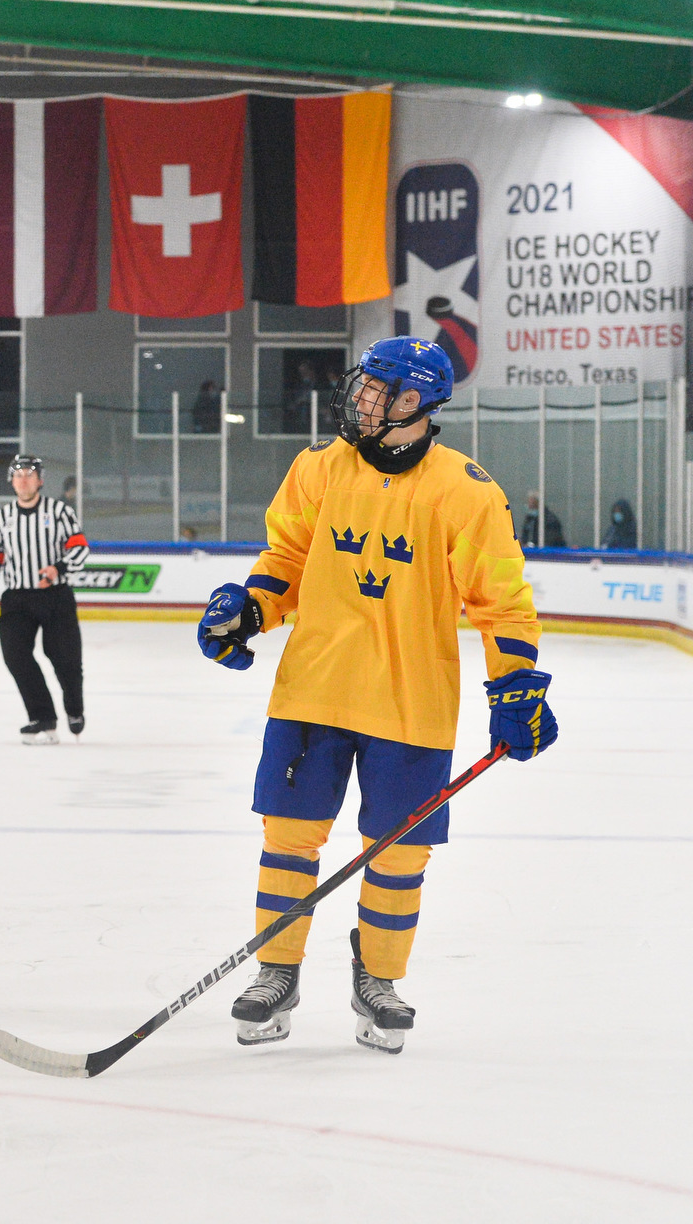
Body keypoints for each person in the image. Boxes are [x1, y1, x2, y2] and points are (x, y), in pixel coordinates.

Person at [198, 336, 554, 1055]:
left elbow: (503, 601)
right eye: (361, 388)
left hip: (410, 701)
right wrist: (249, 607)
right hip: (313, 690)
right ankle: (277, 970)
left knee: (400, 849)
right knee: (288, 837)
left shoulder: (468, 491)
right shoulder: (320, 467)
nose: (358, 399)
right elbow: (288, 558)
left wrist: (516, 686)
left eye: (375, 391)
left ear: (414, 403)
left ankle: (379, 977)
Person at [0, 454, 89, 741]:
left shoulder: (59, 512)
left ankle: (74, 708)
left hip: (55, 597)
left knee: (66, 660)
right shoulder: (2, 518)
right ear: (11, 481)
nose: (23, 479)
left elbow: (79, 549)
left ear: (39, 480)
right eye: (18, 475)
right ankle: (42, 717)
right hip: (16, 599)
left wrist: (58, 569)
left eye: (29, 474)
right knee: (15, 656)